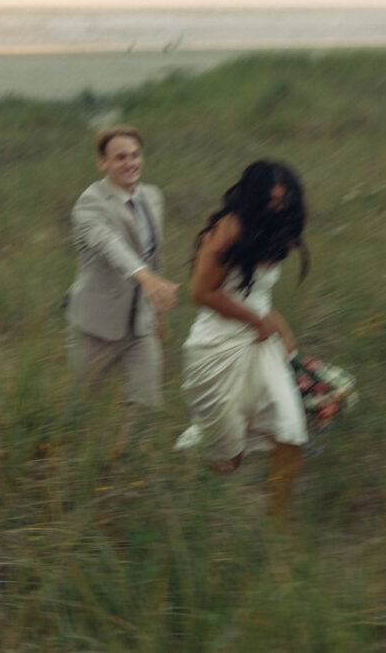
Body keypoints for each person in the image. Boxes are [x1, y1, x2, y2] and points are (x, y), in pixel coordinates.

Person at [175, 159, 310, 518]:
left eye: (285, 200)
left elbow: (259, 296)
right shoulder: (228, 228)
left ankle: (280, 526)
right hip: (218, 346)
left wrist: (283, 332)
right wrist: (254, 320)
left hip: (262, 346)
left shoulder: (275, 228)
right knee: (226, 457)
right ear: (253, 198)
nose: (279, 207)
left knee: (290, 431)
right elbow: (201, 292)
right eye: (272, 200)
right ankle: (173, 481)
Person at [65, 125, 181, 411]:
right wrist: (147, 280)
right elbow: (111, 245)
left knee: (146, 407)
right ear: (102, 162)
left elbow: (154, 255)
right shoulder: (89, 204)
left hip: (141, 326)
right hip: (96, 327)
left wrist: (158, 312)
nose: (130, 163)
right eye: (120, 158)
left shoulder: (152, 196)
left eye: (135, 155)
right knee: (83, 410)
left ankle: (132, 451)